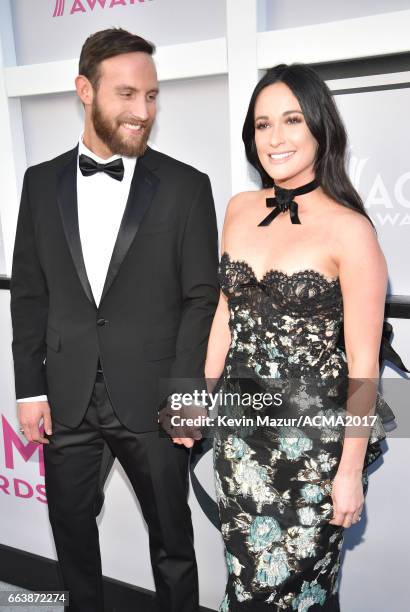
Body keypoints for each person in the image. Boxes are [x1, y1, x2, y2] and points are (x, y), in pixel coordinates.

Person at [10, 28, 219, 612]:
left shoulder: (185, 186)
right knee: (73, 540)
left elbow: (200, 299)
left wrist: (184, 398)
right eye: (127, 95)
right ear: (85, 90)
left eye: (151, 96)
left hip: (155, 398)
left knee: (173, 545)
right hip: (66, 395)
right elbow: (29, 293)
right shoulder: (39, 182)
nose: (142, 111)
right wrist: (30, 388)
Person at [205, 64, 392, 611]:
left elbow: (363, 362)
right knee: (246, 587)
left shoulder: (350, 231)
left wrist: (349, 473)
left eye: (291, 120)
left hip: (313, 451)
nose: (276, 138)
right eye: (263, 125)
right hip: (240, 441)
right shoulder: (239, 208)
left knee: (298, 597)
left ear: (319, 126)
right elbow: (225, 313)